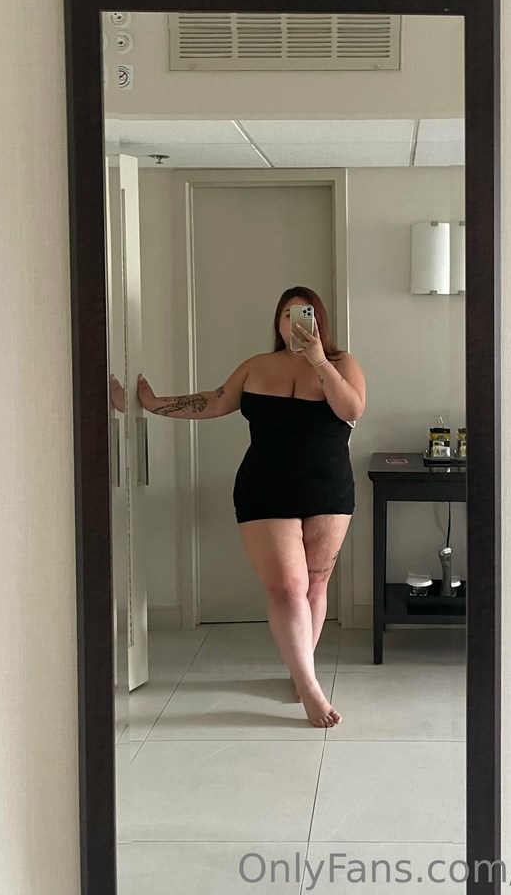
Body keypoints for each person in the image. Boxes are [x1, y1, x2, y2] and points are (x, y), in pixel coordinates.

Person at [137, 286, 366, 729]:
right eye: (287, 315)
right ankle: (311, 688)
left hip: (329, 491)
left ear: (319, 321)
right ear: (277, 323)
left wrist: (319, 361)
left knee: (315, 586)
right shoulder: (256, 367)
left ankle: (301, 673)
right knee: (287, 587)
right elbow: (213, 401)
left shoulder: (342, 364)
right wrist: (153, 404)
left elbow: (351, 408)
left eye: (304, 314)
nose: (295, 322)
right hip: (265, 490)